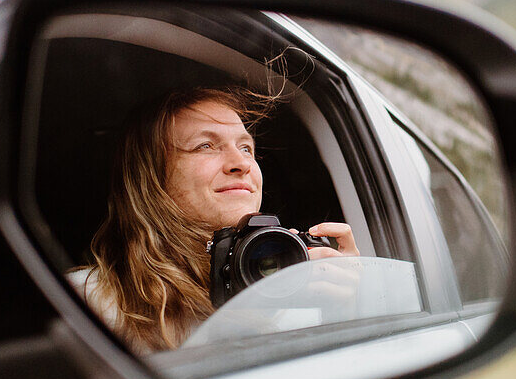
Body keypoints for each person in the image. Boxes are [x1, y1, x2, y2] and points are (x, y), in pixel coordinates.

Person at [82, 86, 359, 352]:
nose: (242, 163)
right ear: (151, 178)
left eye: (247, 148)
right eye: (205, 145)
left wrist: (348, 311)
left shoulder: (300, 285)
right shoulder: (91, 304)